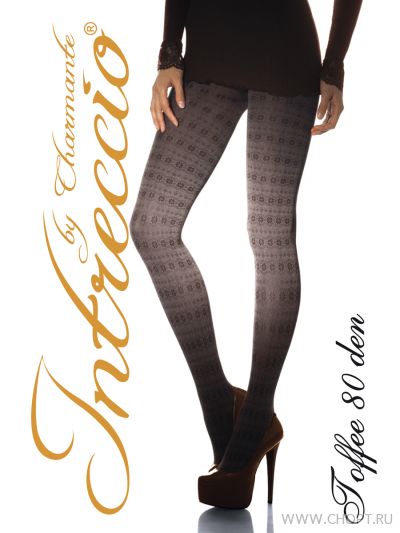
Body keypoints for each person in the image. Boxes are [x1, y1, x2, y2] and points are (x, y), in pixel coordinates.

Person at [129, 0, 363, 509]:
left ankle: (255, 417)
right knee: (152, 226)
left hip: (284, 57)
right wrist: (169, 54)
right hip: (207, 57)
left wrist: (334, 65)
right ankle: (221, 406)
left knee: (269, 233)